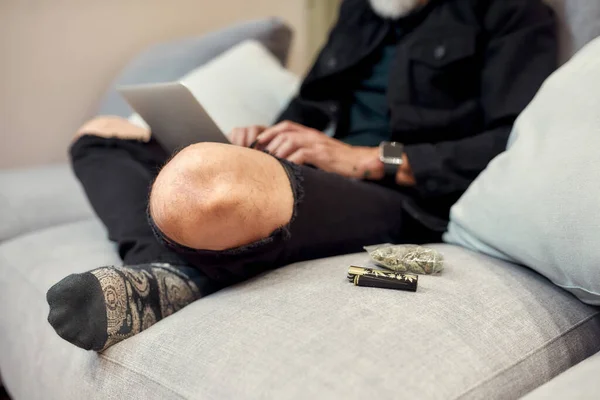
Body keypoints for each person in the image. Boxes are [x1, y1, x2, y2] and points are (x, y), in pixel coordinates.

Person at [47, 0, 557, 352]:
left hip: (392, 194)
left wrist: (368, 159)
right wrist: (266, 137)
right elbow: (311, 103)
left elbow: (509, 141)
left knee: (208, 182)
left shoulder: (512, 12)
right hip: (311, 170)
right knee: (101, 135)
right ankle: (169, 274)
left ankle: (170, 272)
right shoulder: (361, 10)